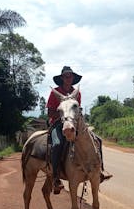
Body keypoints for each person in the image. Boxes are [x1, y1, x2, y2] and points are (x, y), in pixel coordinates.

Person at [47, 66, 112, 194]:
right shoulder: (55, 92)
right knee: (58, 144)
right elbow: (50, 112)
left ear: (73, 78)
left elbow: (77, 111)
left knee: (97, 140)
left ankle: (100, 171)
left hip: (75, 124)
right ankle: (55, 178)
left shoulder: (77, 93)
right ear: (61, 78)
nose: (68, 78)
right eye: (66, 76)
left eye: (70, 76)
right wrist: (63, 115)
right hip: (58, 124)